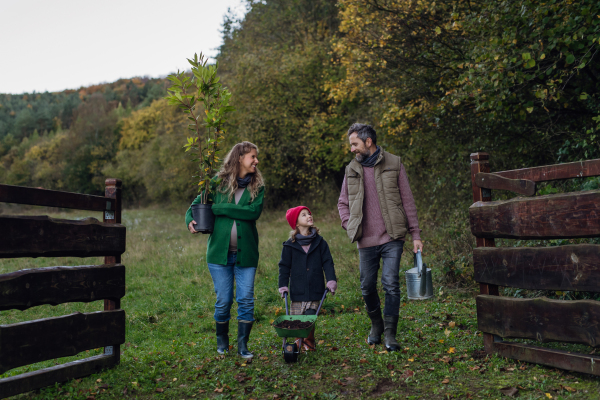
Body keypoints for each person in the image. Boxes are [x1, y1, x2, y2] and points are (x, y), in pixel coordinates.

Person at [337, 123, 423, 352]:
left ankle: (390, 334)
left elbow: (408, 201)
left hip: (392, 236)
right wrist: (349, 225)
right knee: (367, 287)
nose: (352, 149)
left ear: (368, 142)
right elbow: (342, 203)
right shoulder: (351, 169)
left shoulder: (394, 163)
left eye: (354, 144)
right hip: (365, 239)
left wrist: (415, 234)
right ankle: (377, 325)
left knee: (391, 285)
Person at [185, 141, 265, 359]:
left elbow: (252, 213)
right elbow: (196, 204)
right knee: (224, 301)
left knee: (246, 299)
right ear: (239, 158)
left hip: (246, 255)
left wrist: (220, 208)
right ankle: (222, 342)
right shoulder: (217, 183)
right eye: (253, 157)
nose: (256, 161)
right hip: (218, 256)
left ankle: (243, 346)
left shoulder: (257, 187)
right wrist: (189, 220)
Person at [278, 206, 337, 351]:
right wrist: (283, 285)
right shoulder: (289, 245)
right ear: (296, 223)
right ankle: (299, 339)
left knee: (310, 316)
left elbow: (327, 262)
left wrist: (331, 280)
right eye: (304, 215)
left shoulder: (320, 242)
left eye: (309, 213)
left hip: (315, 287)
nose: (309, 216)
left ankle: (309, 340)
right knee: (299, 319)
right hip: (297, 290)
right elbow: (284, 267)